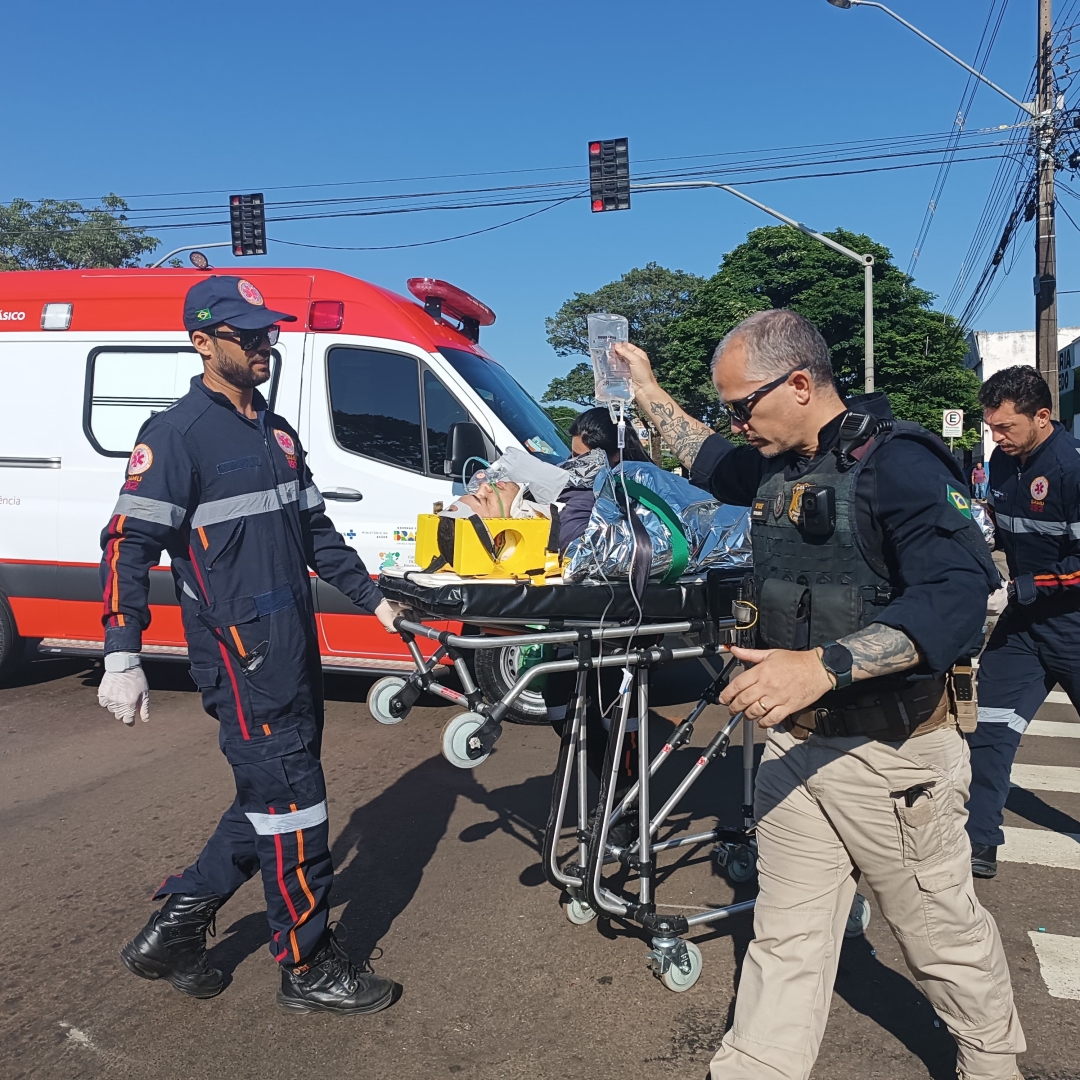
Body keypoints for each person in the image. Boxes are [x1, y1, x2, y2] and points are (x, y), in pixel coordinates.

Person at [614, 309, 1024, 1080]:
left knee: (938, 935)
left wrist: (822, 664)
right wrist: (644, 388)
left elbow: (960, 594)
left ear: (799, 384)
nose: (735, 423)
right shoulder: (775, 461)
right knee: (788, 933)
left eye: (743, 406)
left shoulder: (900, 464)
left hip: (892, 758)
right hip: (795, 750)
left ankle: (993, 1059)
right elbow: (701, 455)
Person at [96, 276, 401, 1014]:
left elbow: (315, 534)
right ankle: (307, 966)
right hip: (240, 659)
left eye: (265, 332)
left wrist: (375, 600)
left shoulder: (276, 430)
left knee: (269, 799)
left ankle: (175, 929)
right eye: (245, 334)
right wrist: (122, 653)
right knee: (297, 808)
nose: (263, 344)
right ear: (202, 344)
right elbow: (126, 546)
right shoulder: (175, 436)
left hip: (293, 647)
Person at [966, 364, 1080, 879]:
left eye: (1006, 427)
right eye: (991, 427)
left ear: (1042, 416)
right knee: (989, 730)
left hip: (1074, 624)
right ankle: (979, 841)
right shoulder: (1002, 461)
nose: (997, 437)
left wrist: (1023, 587)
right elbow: (1000, 526)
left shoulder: (1072, 470)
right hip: (1024, 627)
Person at [568, 405, 650, 466]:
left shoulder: (640, 483)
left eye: (587, 460)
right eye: (574, 455)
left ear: (617, 455)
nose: (575, 464)